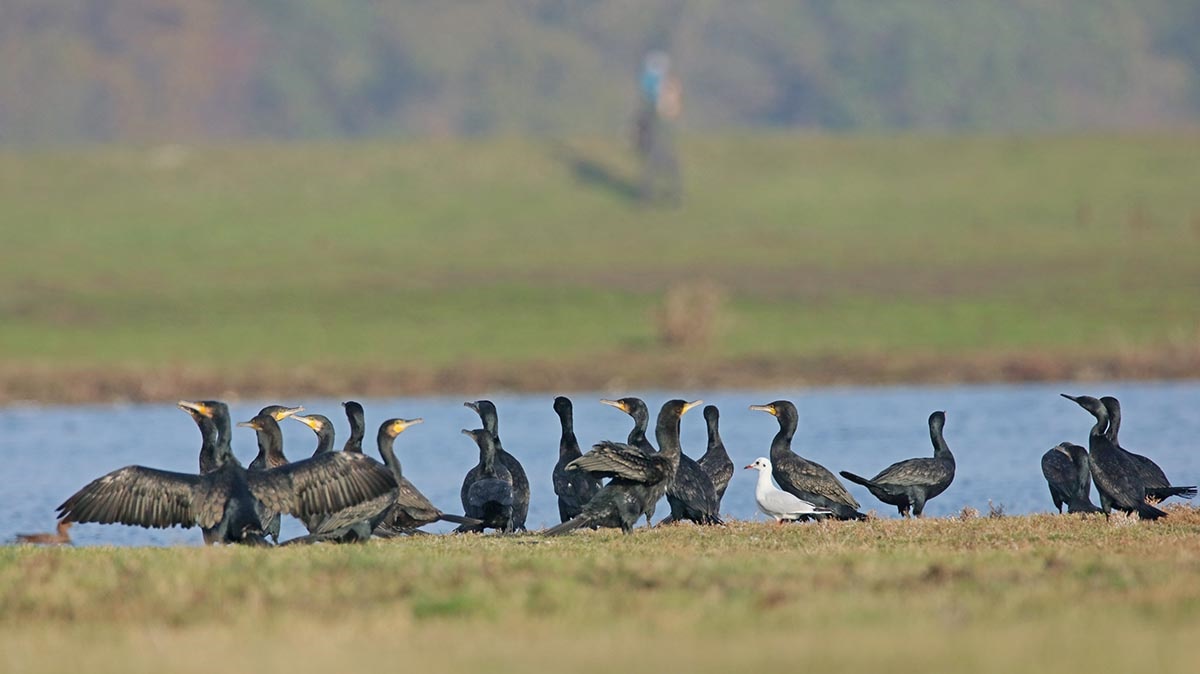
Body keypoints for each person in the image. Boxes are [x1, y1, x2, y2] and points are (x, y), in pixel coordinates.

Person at [633, 51, 681, 205]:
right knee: (664, 163)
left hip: (656, 129)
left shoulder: (652, 83)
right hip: (657, 128)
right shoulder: (658, 84)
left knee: (658, 163)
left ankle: (652, 197)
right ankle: (669, 196)